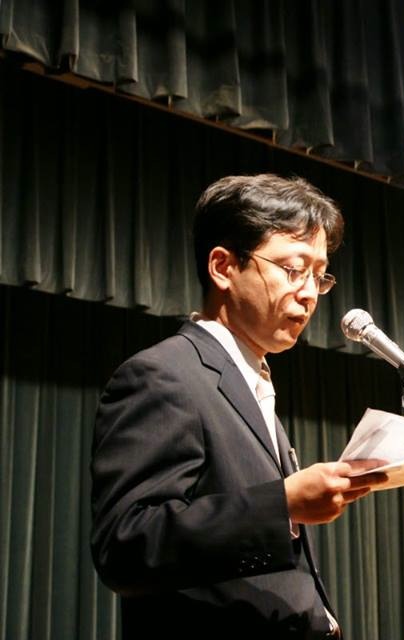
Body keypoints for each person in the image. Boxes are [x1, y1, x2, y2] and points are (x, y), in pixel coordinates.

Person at [90, 174, 385, 639]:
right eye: (293, 269)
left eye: (319, 274)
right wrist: (282, 505)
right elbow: (126, 546)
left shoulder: (251, 379)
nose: (309, 293)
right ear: (224, 267)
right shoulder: (165, 375)